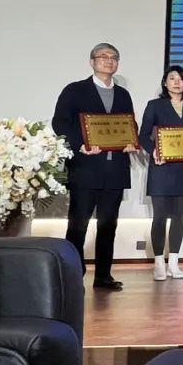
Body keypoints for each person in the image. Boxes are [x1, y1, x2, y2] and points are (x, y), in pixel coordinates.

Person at [53, 42, 138, 291]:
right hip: (86, 168)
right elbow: (60, 123)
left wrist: (131, 141)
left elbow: (128, 125)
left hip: (115, 170)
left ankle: (103, 276)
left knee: (109, 225)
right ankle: (73, 276)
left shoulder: (123, 94)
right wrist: (80, 145)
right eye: (103, 56)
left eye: (114, 57)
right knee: (77, 225)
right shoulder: (75, 90)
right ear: (92, 61)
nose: (109, 60)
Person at [139, 65, 183, 280]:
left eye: (181, 79)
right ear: (165, 83)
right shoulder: (155, 105)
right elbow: (143, 136)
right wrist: (154, 151)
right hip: (161, 169)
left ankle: (174, 263)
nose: (177, 82)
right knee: (159, 217)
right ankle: (159, 263)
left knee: (179, 217)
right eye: (172, 78)